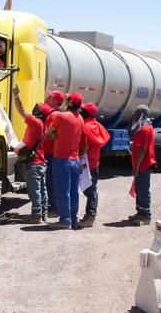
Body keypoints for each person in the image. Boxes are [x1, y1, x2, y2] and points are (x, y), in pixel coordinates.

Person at [45, 91, 88, 230]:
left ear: (69, 102)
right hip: (74, 159)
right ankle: (73, 219)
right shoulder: (80, 118)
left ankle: (65, 220)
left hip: (61, 159)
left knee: (62, 190)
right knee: (73, 191)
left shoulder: (61, 116)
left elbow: (48, 134)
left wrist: (55, 135)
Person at [12, 86, 51, 224]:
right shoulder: (43, 124)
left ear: (39, 113)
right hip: (40, 161)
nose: (34, 109)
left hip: (34, 163)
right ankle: (43, 213)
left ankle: (36, 216)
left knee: (35, 190)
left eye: (37, 108)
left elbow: (20, 110)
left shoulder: (35, 123)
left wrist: (16, 96)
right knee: (42, 188)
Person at [78, 103, 110, 228]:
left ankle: (90, 216)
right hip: (94, 162)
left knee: (90, 191)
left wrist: (78, 155)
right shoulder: (96, 125)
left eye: (83, 110)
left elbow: (85, 147)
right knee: (92, 189)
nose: (80, 111)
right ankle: (89, 215)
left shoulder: (86, 127)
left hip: (86, 163)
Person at [127, 104, 157, 226]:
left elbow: (142, 149)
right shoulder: (142, 126)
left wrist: (136, 167)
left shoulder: (145, 129)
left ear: (141, 115)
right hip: (141, 165)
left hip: (143, 165)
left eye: (136, 112)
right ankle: (140, 212)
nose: (133, 114)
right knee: (139, 189)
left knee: (143, 190)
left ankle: (146, 216)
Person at [42, 90, 65, 217]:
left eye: (50, 96)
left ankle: (52, 208)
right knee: (51, 180)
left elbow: (48, 134)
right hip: (52, 152)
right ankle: (53, 207)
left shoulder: (53, 115)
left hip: (49, 152)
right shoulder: (56, 114)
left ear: (55, 101)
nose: (47, 97)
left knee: (49, 181)